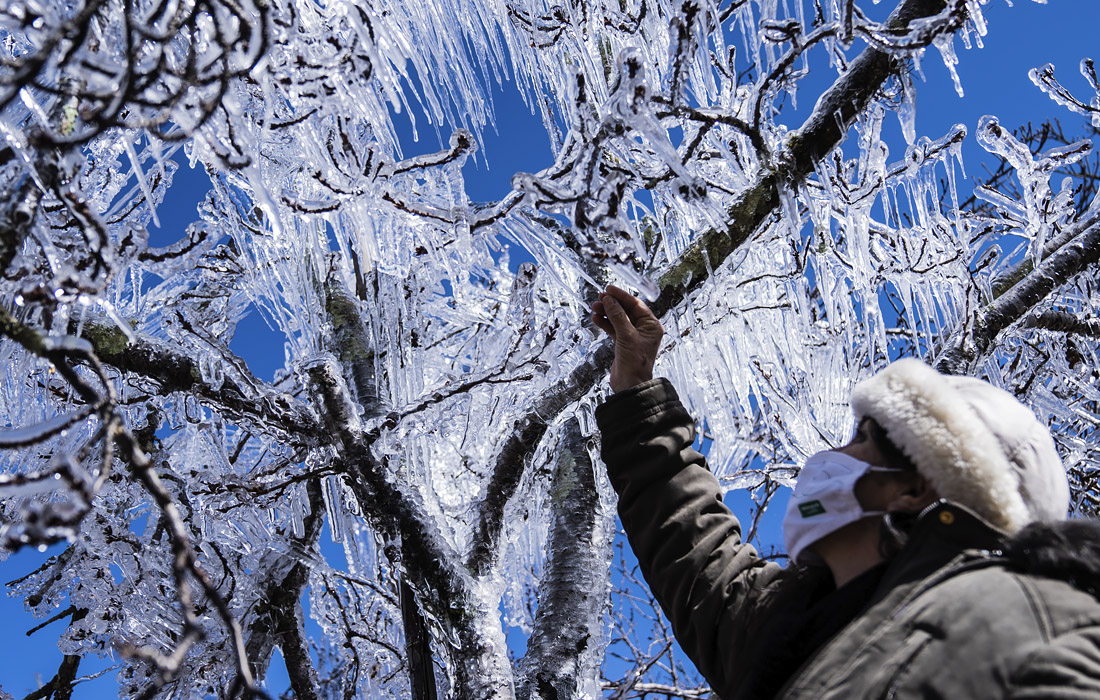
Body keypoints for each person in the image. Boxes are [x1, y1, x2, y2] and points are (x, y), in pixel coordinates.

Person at [591, 284, 1100, 700]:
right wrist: (635, 388)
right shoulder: (784, 629)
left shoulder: (1036, 623)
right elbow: (689, 540)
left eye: (862, 440)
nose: (831, 457)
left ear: (915, 487)